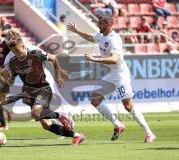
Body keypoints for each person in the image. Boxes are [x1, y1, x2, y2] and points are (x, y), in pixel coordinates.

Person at [67, 15, 156, 143]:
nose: (98, 25)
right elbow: (90, 37)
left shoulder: (115, 39)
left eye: (101, 24)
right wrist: (77, 31)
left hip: (120, 75)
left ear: (108, 25)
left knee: (128, 106)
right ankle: (118, 124)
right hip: (111, 75)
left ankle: (150, 133)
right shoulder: (101, 36)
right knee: (95, 99)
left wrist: (94, 59)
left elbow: (114, 59)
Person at [0, 29, 85, 145]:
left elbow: (53, 58)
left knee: (36, 112)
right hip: (31, 91)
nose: (18, 54)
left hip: (43, 88)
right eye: (15, 52)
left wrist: (58, 76)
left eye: (19, 51)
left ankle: (60, 115)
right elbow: (10, 80)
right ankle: (77, 135)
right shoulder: (13, 61)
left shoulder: (35, 53)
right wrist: (2, 77)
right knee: (46, 125)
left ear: (23, 46)